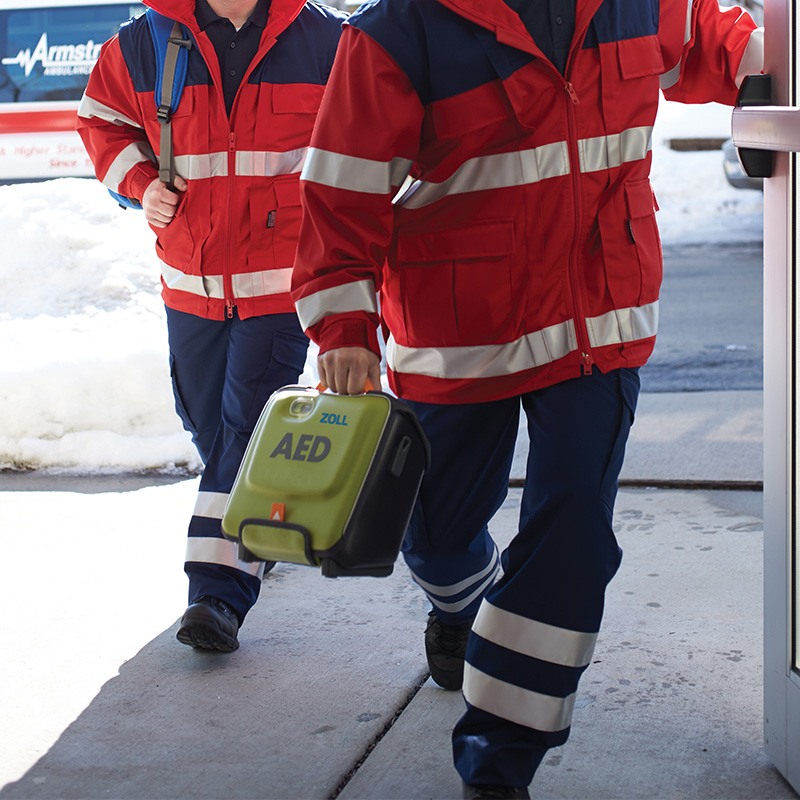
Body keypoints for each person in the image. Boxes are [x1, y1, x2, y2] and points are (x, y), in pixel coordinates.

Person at [290, 0, 763, 796]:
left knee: (573, 531)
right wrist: (342, 329)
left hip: (596, 322)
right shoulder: (397, 31)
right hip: (460, 332)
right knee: (435, 533)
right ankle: (460, 604)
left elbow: (718, 43)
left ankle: (500, 757)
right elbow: (343, 189)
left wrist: (762, 56)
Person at [77, 0, 345, 653]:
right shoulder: (144, 44)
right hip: (189, 286)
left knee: (242, 431)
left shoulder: (326, 42)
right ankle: (257, 522)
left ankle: (216, 595)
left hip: (280, 288)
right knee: (206, 421)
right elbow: (100, 122)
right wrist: (142, 184)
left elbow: (366, 143)